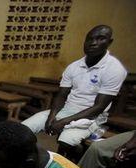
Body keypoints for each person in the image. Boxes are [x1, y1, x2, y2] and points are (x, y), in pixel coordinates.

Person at [22, 25, 127, 159]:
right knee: (23, 129)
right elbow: (61, 95)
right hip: (67, 110)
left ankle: (70, 161)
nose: (93, 43)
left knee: (66, 142)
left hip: (91, 116)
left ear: (109, 42)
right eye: (90, 39)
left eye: (100, 39)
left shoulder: (114, 69)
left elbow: (99, 107)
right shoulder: (74, 66)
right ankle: (29, 160)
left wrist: (64, 122)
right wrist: (52, 116)